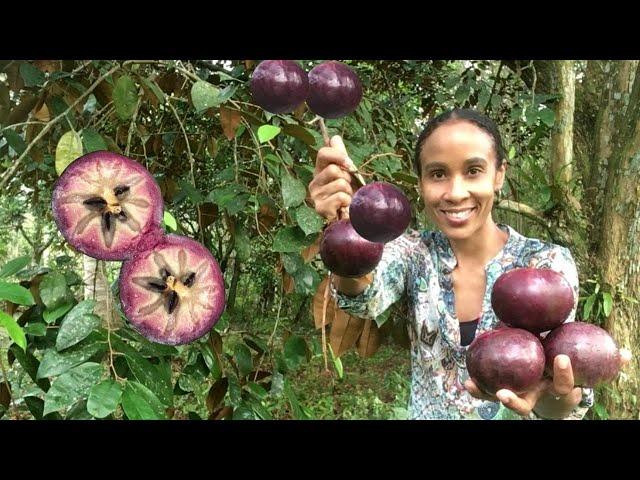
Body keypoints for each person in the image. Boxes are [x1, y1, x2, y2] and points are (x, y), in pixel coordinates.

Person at [308, 108, 595, 420]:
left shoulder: (546, 265)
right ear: (419, 183)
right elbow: (363, 296)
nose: (456, 193)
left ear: (499, 174)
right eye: (438, 174)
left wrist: (555, 395)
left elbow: (559, 395)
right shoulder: (414, 253)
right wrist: (351, 231)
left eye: (473, 171)